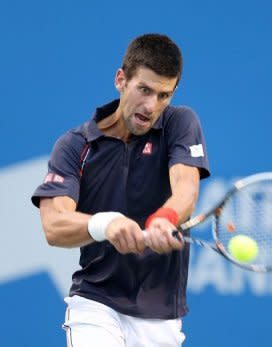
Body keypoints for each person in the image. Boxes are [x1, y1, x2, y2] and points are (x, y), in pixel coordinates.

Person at [31, 33, 210, 347]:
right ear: (120, 79)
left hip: (161, 314)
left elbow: (186, 188)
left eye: (163, 95)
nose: (151, 105)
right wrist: (106, 224)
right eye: (144, 89)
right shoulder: (76, 146)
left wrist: (164, 219)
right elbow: (54, 225)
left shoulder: (180, 123)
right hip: (96, 302)